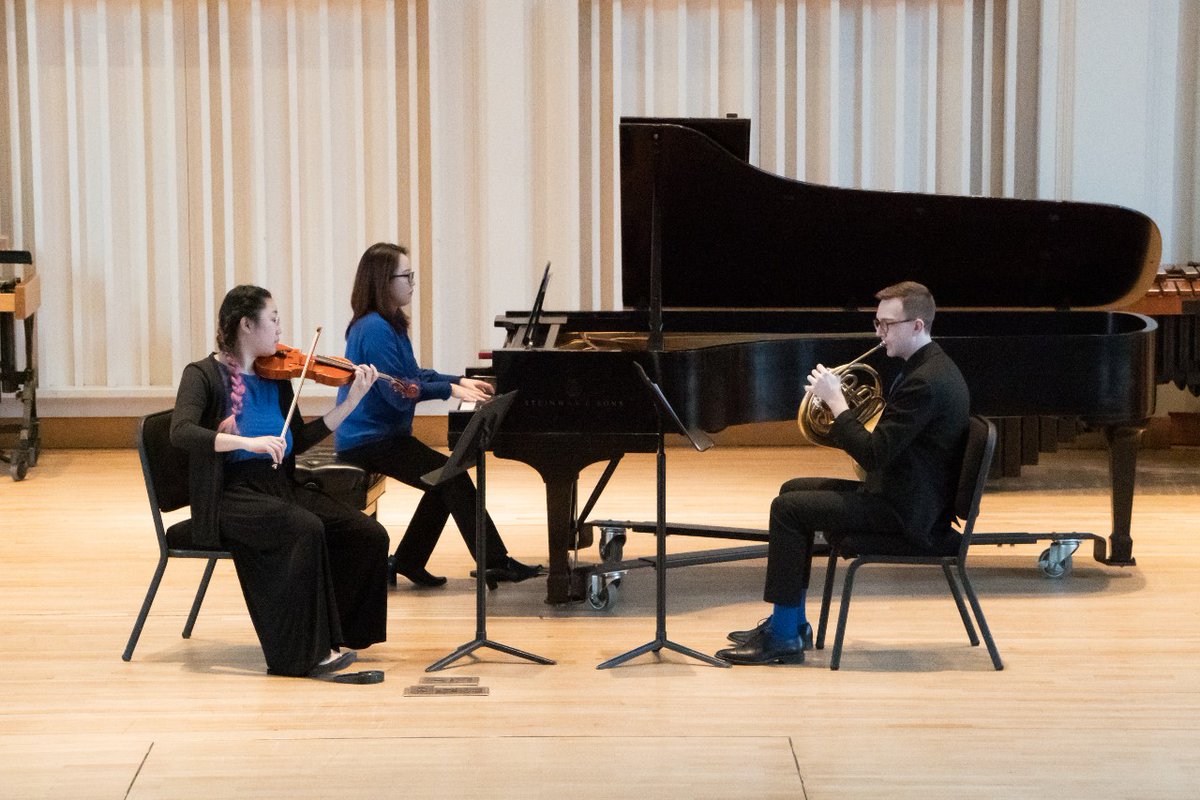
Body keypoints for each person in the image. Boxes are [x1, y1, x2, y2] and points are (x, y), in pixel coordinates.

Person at [717, 281, 970, 665]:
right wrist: (840, 413)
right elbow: (882, 447)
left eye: (888, 324)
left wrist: (837, 402)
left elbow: (873, 454)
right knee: (791, 491)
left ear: (917, 326)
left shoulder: (925, 382)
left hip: (907, 516)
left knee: (787, 510)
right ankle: (791, 621)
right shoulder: (925, 367)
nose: (879, 333)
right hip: (902, 494)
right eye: (878, 323)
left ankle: (784, 638)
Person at [170, 285, 389, 680]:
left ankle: (337, 634)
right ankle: (301, 655)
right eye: (273, 319)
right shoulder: (202, 375)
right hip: (229, 495)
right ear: (246, 324)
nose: (280, 328)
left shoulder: (276, 375)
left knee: (366, 533)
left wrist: (352, 400)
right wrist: (245, 443)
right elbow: (181, 432)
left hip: (278, 486)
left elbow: (297, 441)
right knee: (303, 529)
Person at [335, 242, 542, 588]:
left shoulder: (390, 324)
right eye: (407, 275)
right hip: (366, 441)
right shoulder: (373, 329)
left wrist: (458, 380)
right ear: (384, 281)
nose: (413, 282)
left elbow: (414, 375)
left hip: (383, 436)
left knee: (445, 481)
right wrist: (449, 390)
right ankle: (494, 562)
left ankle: (408, 561)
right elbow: (400, 392)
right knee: (452, 479)